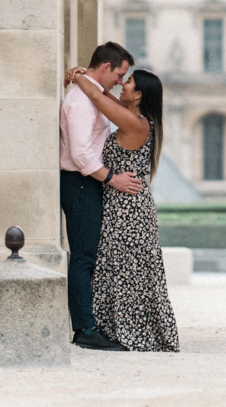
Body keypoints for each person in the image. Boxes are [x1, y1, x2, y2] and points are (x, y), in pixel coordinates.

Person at [66, 62, 179, 352]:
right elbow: (104, 95)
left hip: (129, 207)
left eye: (128, 82)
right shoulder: (133, 116)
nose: (122, 85)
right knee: (118, 268)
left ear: (139, 94)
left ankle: (131, 331)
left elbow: (98, 97)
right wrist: (86, 77)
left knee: (127, 270)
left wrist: (79, 75)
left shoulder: (135, 124)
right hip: (121, 203)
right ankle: (118, 327)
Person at [59, 40, 138, 351]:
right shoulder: (80, 101)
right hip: (80, 182)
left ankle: (88, 324)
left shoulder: (90, 94)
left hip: (86, 182)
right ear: (105, 67)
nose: (120, 81)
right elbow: (79, 152)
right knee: (83, 257)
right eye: (119, 74)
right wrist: (111, 179)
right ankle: (84, 329)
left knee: (87, 256)